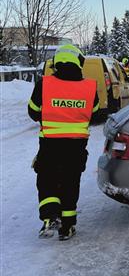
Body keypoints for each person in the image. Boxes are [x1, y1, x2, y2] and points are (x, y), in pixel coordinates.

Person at [28, 44, 99, 241]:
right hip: (76, 145)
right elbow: (93, 115)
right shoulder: (89, 87)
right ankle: (67, 227)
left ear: (56, 63)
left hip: (50, 144)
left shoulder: (44, 84)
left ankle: (50, 217)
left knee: (47, 178)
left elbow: (33, 111)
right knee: (70, 181)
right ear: (79, 62)